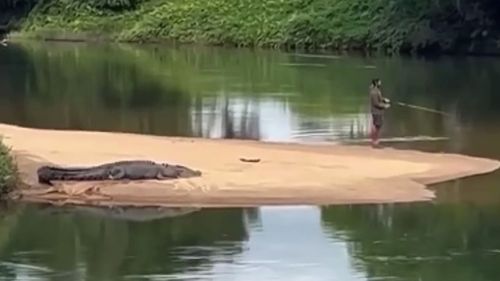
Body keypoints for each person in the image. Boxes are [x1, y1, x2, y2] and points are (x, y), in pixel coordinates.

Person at [369, 78, 390, 147]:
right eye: (379, 82)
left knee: (378, 126)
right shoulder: (374, 92)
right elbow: (376, 103)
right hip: (376, 112)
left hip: (378, 112)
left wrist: (384, 100)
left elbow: (379, 99)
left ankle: (375, 141)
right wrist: (385, 106)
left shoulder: (376, 91)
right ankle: (375, 142)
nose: (380, 84)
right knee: (377, 126)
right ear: (376, 83)